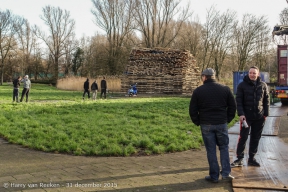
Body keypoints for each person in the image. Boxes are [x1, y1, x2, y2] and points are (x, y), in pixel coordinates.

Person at [189, 68, 236, 183]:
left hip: (206, 124)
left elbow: (192, 109)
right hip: (221, 123)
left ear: (204, 77)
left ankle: (214, 176)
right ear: (214, 76)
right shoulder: (225, 89)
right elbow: (233, 107)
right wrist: (227, 119)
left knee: (211, 150)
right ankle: (226, 173)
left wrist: (197, 121)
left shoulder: (198, 91)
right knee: (224, 148)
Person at [231, 66, 270, 167]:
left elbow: (266, 100)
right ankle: (239, 158)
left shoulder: (263, 85)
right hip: (246, 117)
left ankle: (251, 159)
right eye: (250, 73)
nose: (252, 75)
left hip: (259, 117)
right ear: (248, 74)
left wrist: (266, 114)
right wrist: (241, 114)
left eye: (254, 73)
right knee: (243, 137)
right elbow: (238, 101)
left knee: (255, 138)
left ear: (258, 74)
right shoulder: (242, 85)